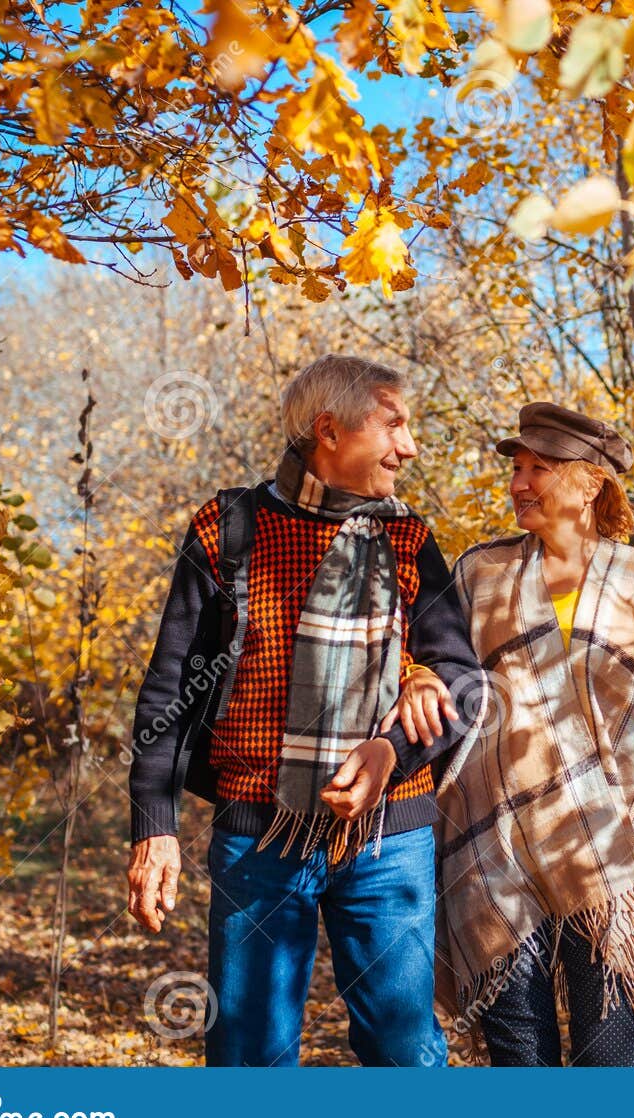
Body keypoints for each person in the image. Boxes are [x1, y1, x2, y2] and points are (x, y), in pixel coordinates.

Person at [125, 355, 483, 1066]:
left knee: (406, 1052)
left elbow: (464, 682)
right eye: (394, 425)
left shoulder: (409, 538)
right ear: (329, 430)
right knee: (248, 1055)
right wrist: (154, 827)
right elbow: (169, 688)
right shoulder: (227, 528)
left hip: (391, 839)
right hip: (259, 836)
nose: (408, 447)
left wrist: (392, 753)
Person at [429, 401, 634, 1066]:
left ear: (591, 483)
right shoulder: (480, 574)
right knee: (520, 1063)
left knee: (611, 1060)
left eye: (540, 468)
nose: (518, 484)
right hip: (493, 861)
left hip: (612, 859)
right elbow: (435, 692)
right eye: (516, 468)